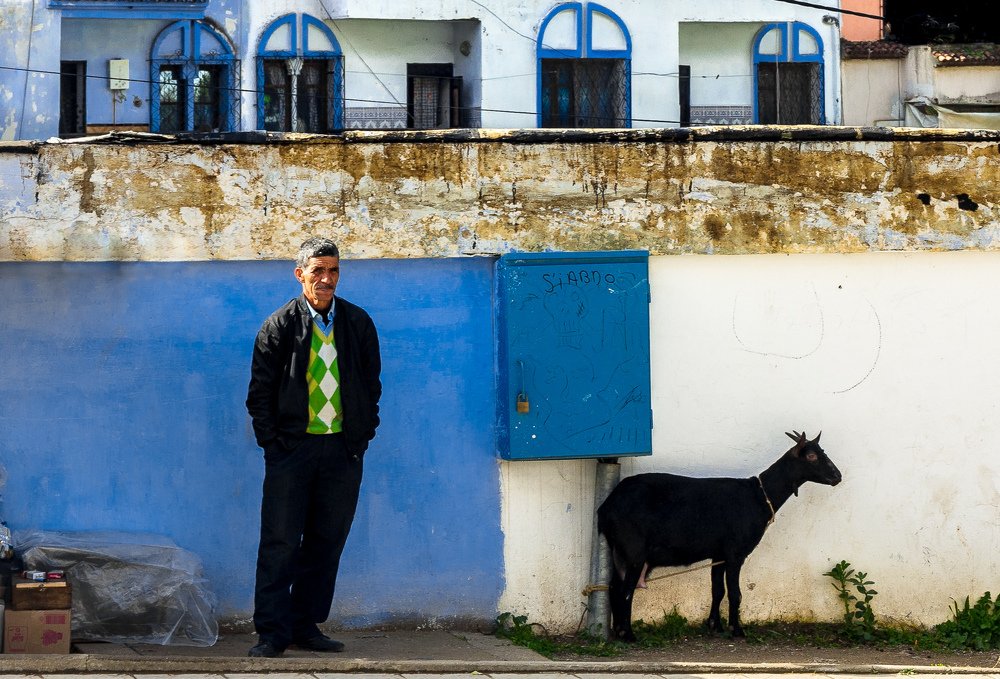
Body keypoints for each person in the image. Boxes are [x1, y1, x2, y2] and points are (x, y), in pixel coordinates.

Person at [245, 237, 382, 658]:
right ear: (300, 273)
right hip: (293, 451)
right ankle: (272, 632)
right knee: (280, 542)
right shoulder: (279, 325)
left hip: (342, 451)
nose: (326, 278)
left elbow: (371, 384)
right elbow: (259, 395)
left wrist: (362, 434)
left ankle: (304, 625)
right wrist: (275, 445)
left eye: (333, 270)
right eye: (317, 270)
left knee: (326, 543)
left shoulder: (357, 322)